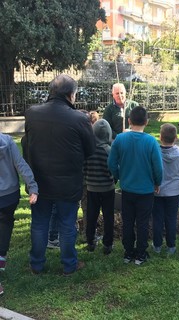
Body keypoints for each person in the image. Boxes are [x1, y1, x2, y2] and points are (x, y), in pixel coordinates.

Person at [24, 74, 95, 275]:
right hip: (68, 183)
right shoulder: (80, 118)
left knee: (39, 224)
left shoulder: (32, 113)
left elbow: (26, 143)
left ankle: (36, 265)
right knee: (66, 225)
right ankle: (69, 265)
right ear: (71, 94)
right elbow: (91, 149)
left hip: (39, 182)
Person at [108, 106, 163, 265]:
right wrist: (157, 182)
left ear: (129, 121)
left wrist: (118, 176)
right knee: (143, 222)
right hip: (146, 191)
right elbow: (158, 167)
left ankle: (128, 252)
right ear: (147, 121)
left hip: (127, 189)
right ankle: (140, 254)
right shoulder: (151, 141)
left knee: (128, 220)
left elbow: (111, 163)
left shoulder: (119, 139)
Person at [0, 132, 38, 294]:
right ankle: (1, 255)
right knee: (6, 224)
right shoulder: (7, 141)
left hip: (9, 195)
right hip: (9, 195)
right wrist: (33, 186)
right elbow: (21, 164)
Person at [152, 123, 179, 255]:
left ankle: (157, 246)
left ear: (160, 137)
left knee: (157, 219)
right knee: (171, 219)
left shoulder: (154, 153)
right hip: (174, 193)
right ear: (176, 137)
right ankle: (171, 246)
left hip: (157, 192)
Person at [83, 119, 115, 255]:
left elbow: (83, 168)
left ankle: (90, 241)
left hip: (91, 189)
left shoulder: (88, 150)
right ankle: (108, 244)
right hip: (108, 188)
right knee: (108, 216)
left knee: (91, 216)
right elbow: (114, 169)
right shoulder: (109, 150)